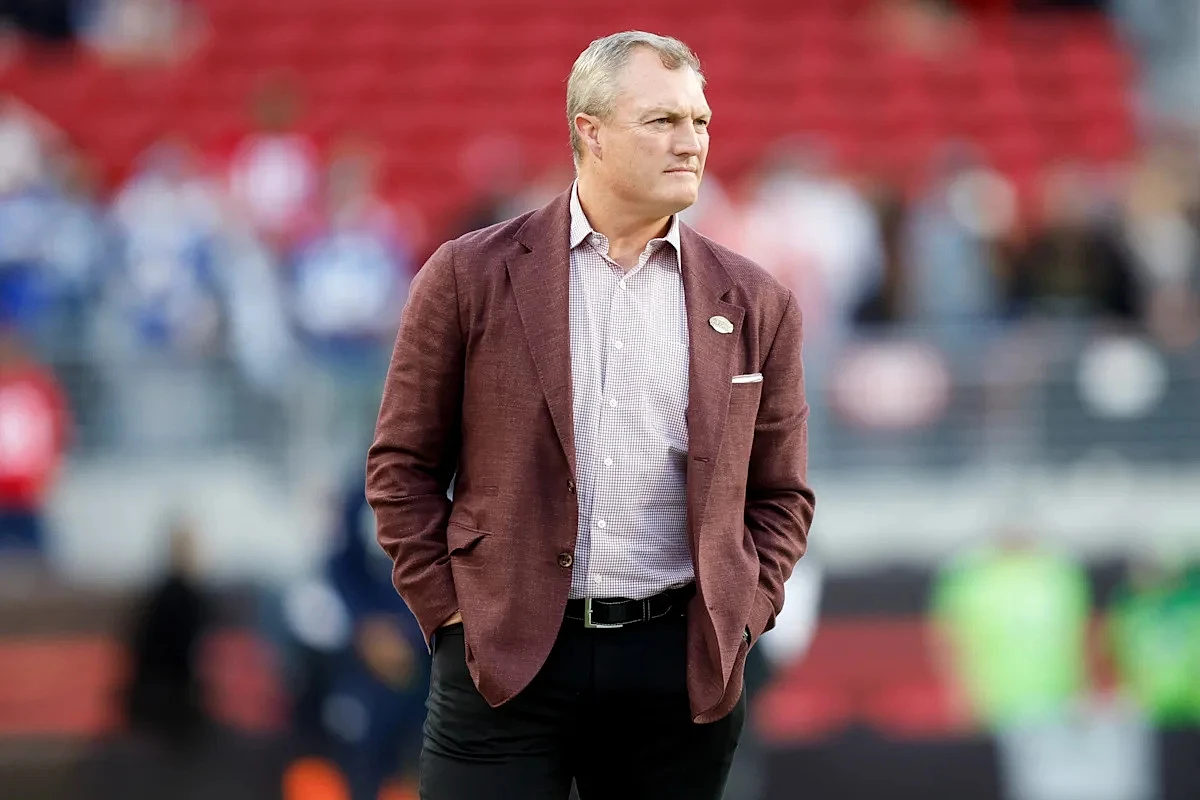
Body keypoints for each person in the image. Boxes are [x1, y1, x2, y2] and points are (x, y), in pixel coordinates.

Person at [366, 31, 815, 800]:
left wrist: (741, 618)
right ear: (591, 131)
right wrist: (449, 614)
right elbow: (401, 468)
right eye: (663, 121)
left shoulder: (757, 301)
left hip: (677, 673)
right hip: (503, 660)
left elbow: (782, 496)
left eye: (699, 122)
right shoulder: (467, 275)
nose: (691, 143)